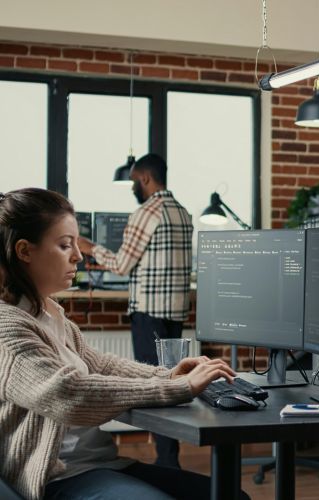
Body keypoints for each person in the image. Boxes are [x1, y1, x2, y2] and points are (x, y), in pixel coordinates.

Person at [0, 188, 245, 499]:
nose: (78, 255)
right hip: (55, 478)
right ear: (24, 251)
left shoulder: (50, 313)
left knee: (232, 495)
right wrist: (177, 388)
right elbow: (67, 393)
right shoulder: (6, 325)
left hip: (99, 464)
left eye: (76, 244)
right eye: (65, 245)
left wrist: (168, 374)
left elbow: (102, 365)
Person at [77, 153, 193, 468]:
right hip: (175, 312)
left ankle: (167, 463)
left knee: (154, 387)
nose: (132, 187)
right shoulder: (183, 212)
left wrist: (89, 247)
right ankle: (170, 459)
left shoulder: (146, 212)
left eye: (132, 181)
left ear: (145, 178)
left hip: (149, 312)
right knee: (171, 381)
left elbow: (123, 264)